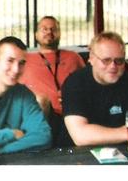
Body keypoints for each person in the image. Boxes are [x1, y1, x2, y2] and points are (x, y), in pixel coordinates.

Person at [62, 31, 128, 146]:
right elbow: (80, 136)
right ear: (91, 58)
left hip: (122, 150)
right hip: (79, 153)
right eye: (106, 60)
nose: (113, 66)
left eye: (119, 61)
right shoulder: (75, 83)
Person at [19, 16, 85, 144]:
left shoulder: (73, 57)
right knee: (41, 100)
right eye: (44, 29)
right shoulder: (25, 60)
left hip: (72, 111)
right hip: (43, 113)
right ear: (36, 34)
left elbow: (88, 83)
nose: (49, 32)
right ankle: (38, 142)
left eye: (53, 29)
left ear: (59, 33)